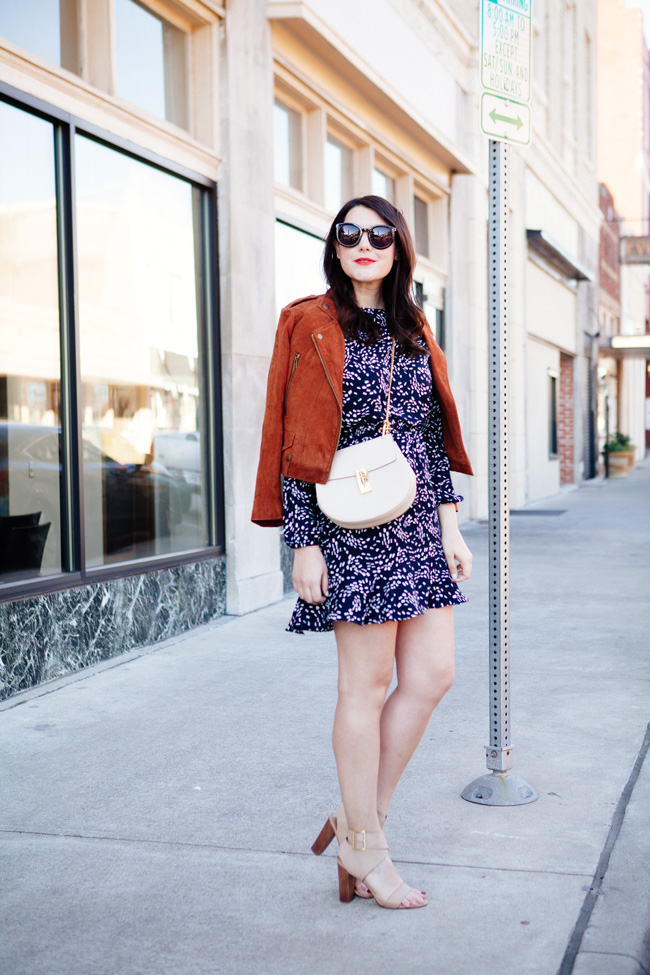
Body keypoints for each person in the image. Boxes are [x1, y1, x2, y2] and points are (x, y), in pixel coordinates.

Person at [252, 195, 473, 910]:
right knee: (366, 686)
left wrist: (451, 525)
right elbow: (294, 439)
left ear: (399, 246)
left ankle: (356, 825)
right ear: (336, 246)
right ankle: (368, 848)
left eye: (380, 234)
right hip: (349, 527)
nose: (365, 244)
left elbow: (431, 435)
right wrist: (303, 544)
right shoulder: (308, 322)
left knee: (433, 674)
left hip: (415, 526)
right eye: (350, 233)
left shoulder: (414, 325)